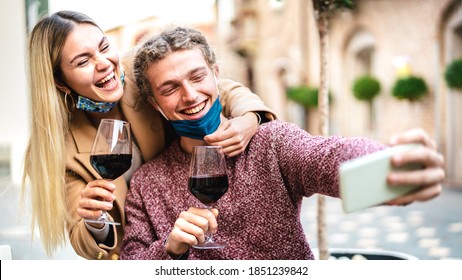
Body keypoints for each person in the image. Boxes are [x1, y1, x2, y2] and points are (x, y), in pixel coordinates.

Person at [119, 26, 445, 260]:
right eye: (170, 88)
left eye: (197, 77)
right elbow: (131, 260)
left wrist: (389, 170)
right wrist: (171, 247)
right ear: (155, 104)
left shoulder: (270, 142)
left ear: (216, 75)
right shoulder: (149, 183)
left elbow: (323, 157)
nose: (190, 95)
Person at [22, 11, 276, 260]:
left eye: (104, 46)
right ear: (60, 82)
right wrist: (94, 220)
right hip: (145, 251)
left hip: (192, 213)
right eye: (83, 61)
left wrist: (249, 118)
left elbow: (215, 85)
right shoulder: (56, 145)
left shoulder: (138, 68)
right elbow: (87, 245)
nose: (103, 63)